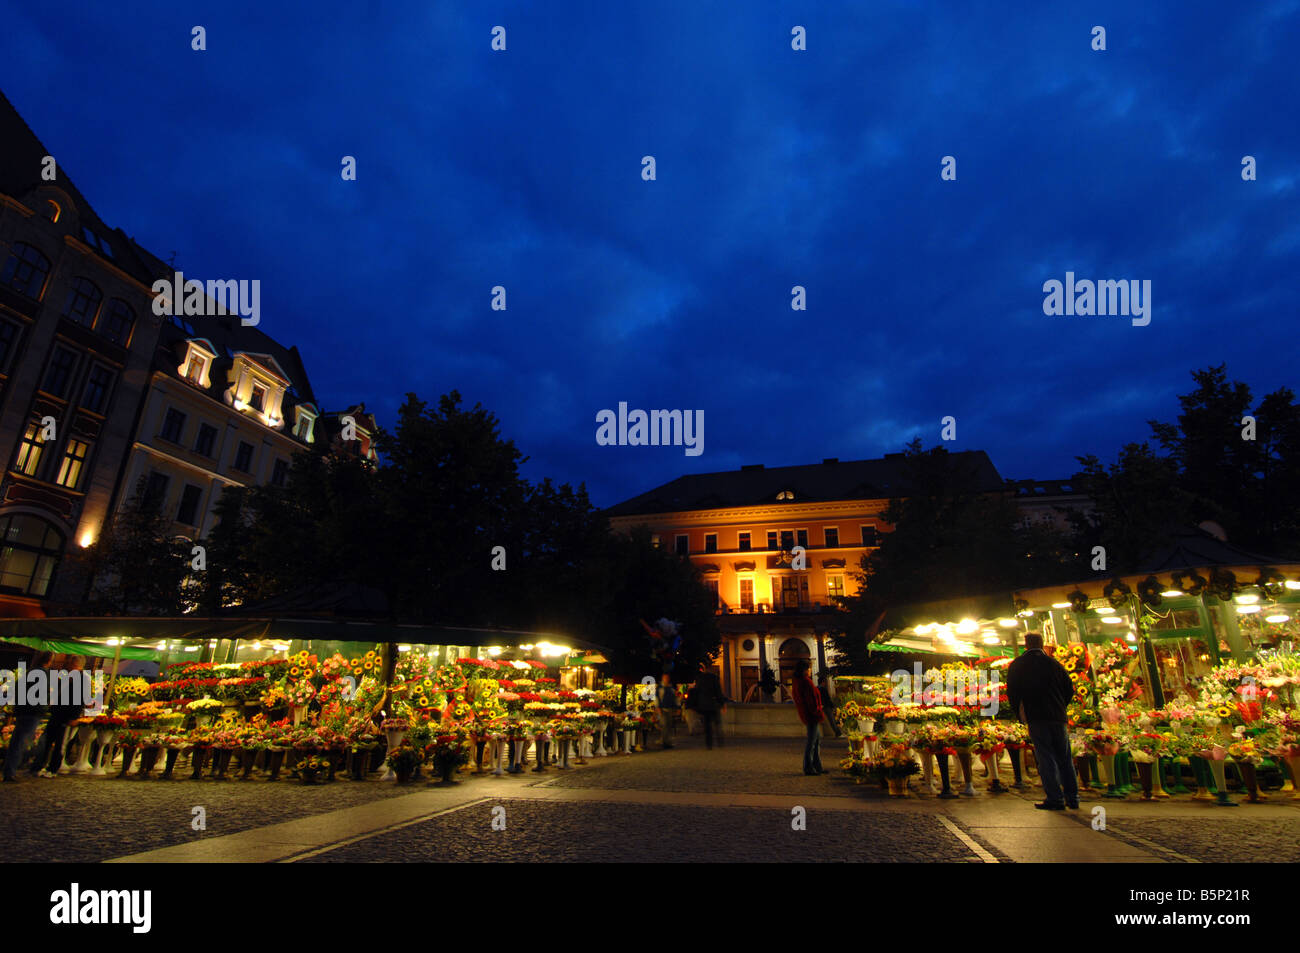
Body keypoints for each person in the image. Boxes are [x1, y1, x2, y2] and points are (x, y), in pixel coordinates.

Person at [1006, 632, 1078, 810]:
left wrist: (1020, 714)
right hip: (1058, 716)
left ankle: (1055, 797)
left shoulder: (1018, 665)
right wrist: (1061, 705)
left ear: (1026, 645)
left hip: (1036, 716)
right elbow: (1069, 688)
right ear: (1042, 643)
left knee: (1045, 757)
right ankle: (1072, 797)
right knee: (1064, 757)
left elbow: (1013, 693)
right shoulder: (1053, 663)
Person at [30, 655, 86, 777]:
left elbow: (79, 700)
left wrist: (74, 717)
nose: (68, 667)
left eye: (71, 664)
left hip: (66, 715)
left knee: (60, 743)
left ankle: (53, 768)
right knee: (47, 741)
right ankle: (40, 765)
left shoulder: (80, 680)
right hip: (57, 712)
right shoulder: (67, 677)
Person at [3, 651, 53, 782]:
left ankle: (10, 770)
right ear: (49, 661)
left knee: (17, 741)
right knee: (27, 743)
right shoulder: (44, 674)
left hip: (22, 710)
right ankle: (13, 770)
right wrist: (45, 707)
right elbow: (46, 694)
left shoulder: (29, 672)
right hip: (33, 712)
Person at [791, 659, 824, 775]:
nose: (810, 670)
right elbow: (811, 700)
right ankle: (808, 766)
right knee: (812, 741)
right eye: (808, 668)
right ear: (804, 670)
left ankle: (817, 765)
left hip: (807, 714)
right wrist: (816, 711)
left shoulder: (797, 682)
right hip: (811, 715)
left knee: (816, 740)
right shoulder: (806, 682)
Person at [688, 665, 726, 749]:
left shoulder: (700, 678)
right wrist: (722, 704)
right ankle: (720, 741)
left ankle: (709, 744)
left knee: (707, 725)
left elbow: (696, 691)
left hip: (704, 705)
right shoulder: (714, 678)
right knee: (717, 723)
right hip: (713, 704)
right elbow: (718, 692)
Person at [656, 676, 679, 749]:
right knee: (665, 725)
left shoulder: (670, 688)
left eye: (668, 678)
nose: (667, 680)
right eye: (665, 678)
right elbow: (657, 699)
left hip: (670, 709)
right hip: (663, 709)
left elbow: (674, 699)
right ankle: (665, 742)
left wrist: (677, 708)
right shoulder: (660, 688)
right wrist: (658, 709)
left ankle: (667, 741)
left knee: (668, 726)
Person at [818, 672, 841, 738]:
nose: (825, 683)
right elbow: (827, 698)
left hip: (820, 706)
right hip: (826, 706)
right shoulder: (823, 689)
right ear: (822, 682)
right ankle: (837, 732)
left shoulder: (817, 689)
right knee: (831, 720)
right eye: (825, 682)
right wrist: (832, 706)